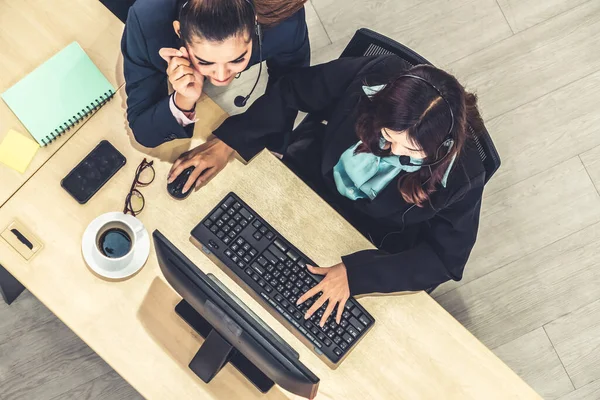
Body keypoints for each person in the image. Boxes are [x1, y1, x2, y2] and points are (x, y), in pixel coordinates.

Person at [170, 54, 486, 326]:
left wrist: (357, 274)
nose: (389, 151)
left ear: (440, 147)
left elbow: (445, 260)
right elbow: (293, 89)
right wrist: (230, 141)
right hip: (307, 179)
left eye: (408, 149)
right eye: (387, 137)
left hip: (367, 237)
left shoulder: (465, 174)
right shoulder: (373, 79)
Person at [121, 0, 310, 148]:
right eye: (204, 61)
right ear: (178, 30)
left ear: (254, 24)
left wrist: (268, 146)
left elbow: (291, 86)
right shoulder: (147, 20)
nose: (220, 77)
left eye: (237, 59)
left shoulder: (285, 23)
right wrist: (183, 100)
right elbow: (143, 129)